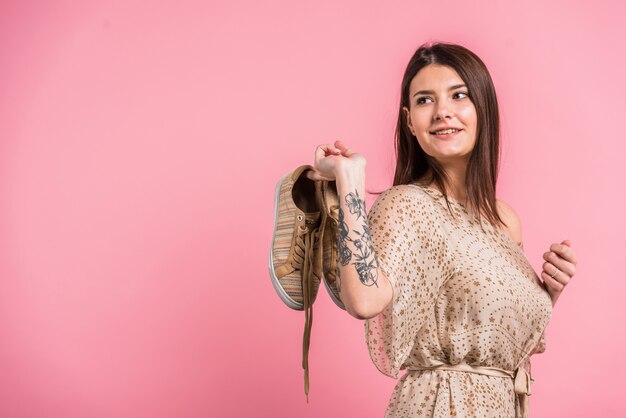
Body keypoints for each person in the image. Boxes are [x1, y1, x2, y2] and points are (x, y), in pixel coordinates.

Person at [306, 41, 578, 417]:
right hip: (440, 405)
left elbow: (502, 342)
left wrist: (549, 292)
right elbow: (364, 301)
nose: (442, 112)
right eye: (424, 100)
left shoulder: (504, 220)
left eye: (458, 95)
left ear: (483, 108)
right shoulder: (408, 204)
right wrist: (350, 181)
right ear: (409, 122)